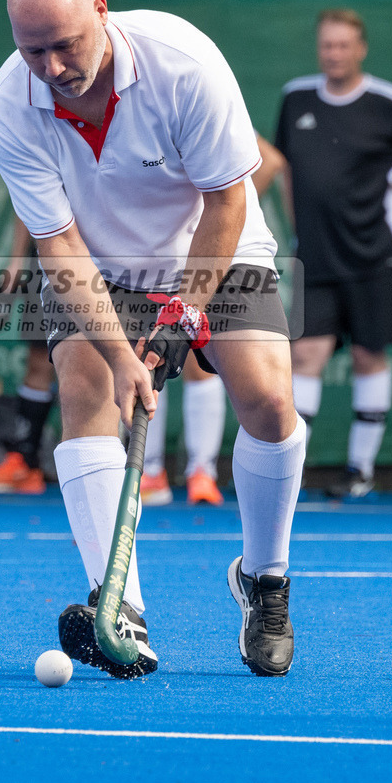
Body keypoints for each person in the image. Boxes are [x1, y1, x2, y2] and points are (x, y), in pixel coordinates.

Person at [0, 0, 305, 680]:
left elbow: (228, 198)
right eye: (33, 51)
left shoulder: (182, 63)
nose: (55, 66)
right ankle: (119, 605)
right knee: (85, 385)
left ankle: (266, 578)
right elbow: (59, 246)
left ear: (100, 10)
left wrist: (185, 314)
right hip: (102, 262)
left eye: (67, 43)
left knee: (269, 401)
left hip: (216, 241)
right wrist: (123, 355)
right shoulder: (7, 106)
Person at [275, 9, 392, 498]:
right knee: (306, 354)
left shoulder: (391, 102)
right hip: (314, 254)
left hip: (374, 252)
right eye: (326, 45)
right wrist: (298, 230)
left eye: (342, 46)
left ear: (360, 49)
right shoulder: (296, 97)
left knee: (367, 354)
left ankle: (360, 471)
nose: (333, 54)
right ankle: (288, 470)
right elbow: (284, 166)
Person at [140, 135, 288, 506]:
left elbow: (268, 161)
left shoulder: (201, 96)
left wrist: (225, 217)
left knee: (196, 364)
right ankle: (150, 471)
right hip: (151, 252)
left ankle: (201, 471)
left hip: (208, 251)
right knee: (149, 354)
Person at [0, 216, 56, 496]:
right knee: (39, 360)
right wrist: (16, 261)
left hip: (102, 261)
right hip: (47, 257)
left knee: (94, 365)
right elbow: (26, 195)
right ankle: (24, 466)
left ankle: (104, 469)